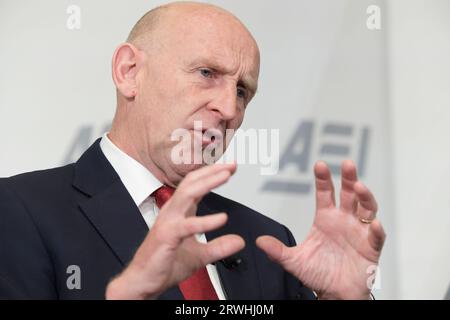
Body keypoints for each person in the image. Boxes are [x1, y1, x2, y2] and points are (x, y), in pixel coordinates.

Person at [0, 2, 385, 300]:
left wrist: (344, 295)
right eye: (207, 74)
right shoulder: (20, 211)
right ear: (129, 72)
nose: (230, 110)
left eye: (242, 91)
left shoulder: (265, 239)